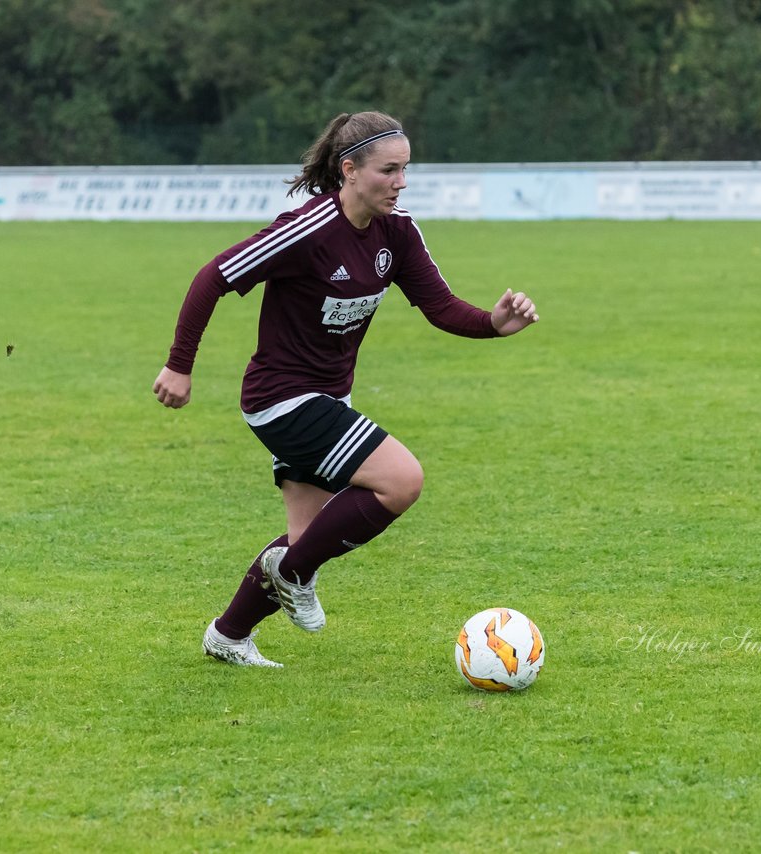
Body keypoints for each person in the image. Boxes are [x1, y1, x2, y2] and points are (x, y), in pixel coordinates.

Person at [152, 111, 538, 667]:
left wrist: (493, 323)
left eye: (406, 170)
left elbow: (440, 306)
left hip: (330, 397)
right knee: (401, 481)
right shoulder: (304, 230)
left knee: (305, 535)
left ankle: (229, 634)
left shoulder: (396, 232)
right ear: (349, 169)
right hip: (280, 398)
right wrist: (179, 366)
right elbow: (214, 276)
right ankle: (294, 574)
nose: (400, 183)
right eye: (389, 171)